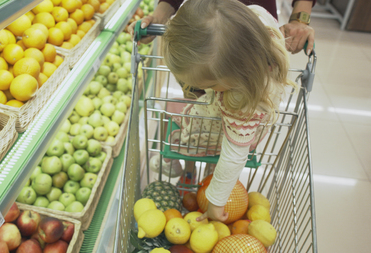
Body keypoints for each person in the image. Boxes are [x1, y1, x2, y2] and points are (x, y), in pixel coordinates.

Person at [157, 0, 297, 222]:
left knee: (205, 137)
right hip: (229, 106)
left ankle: (198, 173)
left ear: (235, 75)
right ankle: (197, 173)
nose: (203, 90)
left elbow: (234, 156)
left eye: (210, 86)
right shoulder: (245, 22)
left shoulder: (245, 100)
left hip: (240, 127)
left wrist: (216, 202)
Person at [129, 0, 316, 55]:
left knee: (244, 116)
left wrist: (300, 20)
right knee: (200, 97)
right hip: (199, 37)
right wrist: (159, 17)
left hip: (253, 41)